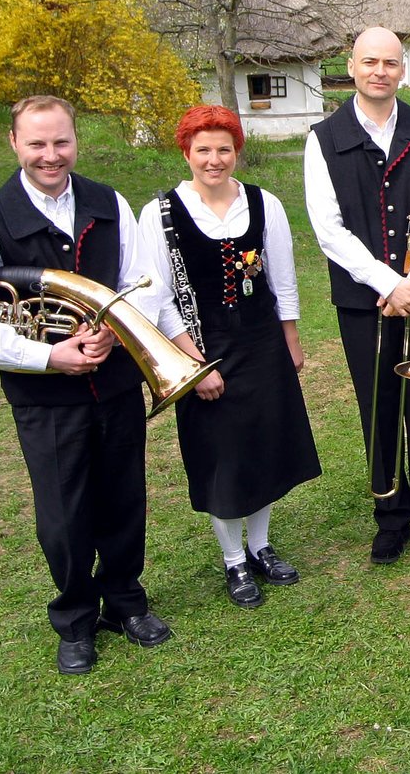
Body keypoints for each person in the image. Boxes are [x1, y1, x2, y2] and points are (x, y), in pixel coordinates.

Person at [0, 95, 170, 675]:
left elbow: (144, 281)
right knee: (63, 516)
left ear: (75, 141)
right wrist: (46, 355)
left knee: (124, 500)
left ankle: (126, 602)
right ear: (14, 143)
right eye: (37, 143)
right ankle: (75, 618)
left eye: (61, 141)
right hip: (45, 399)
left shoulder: (108, 202)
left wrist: (114, 331)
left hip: (115, 383)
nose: (50, 155)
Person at [137, 105, 321, 609]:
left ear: (237, 151)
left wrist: (291, 340)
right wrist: (194, 365)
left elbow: (282, 279)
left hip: (261, 343)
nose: (213, 159)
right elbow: (159, 298)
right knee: (222, 460)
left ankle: (260, 547)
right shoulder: (160, 213)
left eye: (224, 149)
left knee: (262, 449)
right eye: (203, 150)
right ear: (186, 152)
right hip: (200, 348)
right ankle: (234, 559)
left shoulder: (264, 203)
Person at [304, 26, 410, 565]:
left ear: (403, 69)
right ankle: (391, 514)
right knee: (376, 403)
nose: (380, 71)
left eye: (391, 63)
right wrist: (387, 283)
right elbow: (328, 227)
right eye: (370, 62)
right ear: (351, 67)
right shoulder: (323, 137)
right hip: (365, 299)